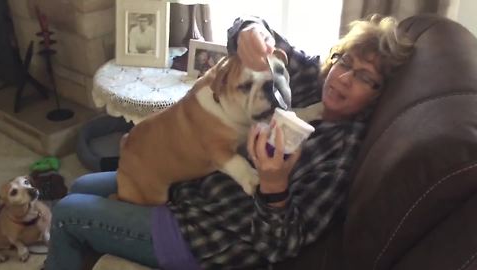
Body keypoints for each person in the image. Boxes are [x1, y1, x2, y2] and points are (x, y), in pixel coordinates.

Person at [44, 14, 413, 270]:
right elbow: (252, 29)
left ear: (380, 96)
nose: (345, 78)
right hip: (189, 186)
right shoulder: (309, 77)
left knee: (67, 211)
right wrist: (251, 32)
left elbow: (283, 245)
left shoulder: (341, 153)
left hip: (199, 236)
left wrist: (273, 186)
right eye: (345, 62)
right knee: (82, 184)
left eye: (365, 78)